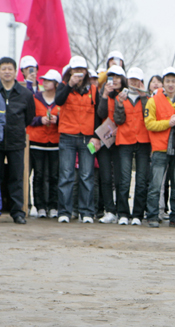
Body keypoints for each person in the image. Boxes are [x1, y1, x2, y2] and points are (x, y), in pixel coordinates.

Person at [144, 67, 175, 228]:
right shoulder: (153, 101)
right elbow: (149, 123)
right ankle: (152, 216)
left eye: (174, 81)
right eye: (168, 81)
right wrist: (168, 123)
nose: (171, 84)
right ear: (163, 83)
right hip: (160, 149)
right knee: (156, 185)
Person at [54, 56, 100, 224]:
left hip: (87, 138)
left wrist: (96, 136)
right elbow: (58, 101)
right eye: (76, 70)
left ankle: (86, 212)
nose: (79, 73)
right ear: (70, 71)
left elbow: (98, 114)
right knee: (66, 175)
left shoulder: (94, 90)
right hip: (67, 137)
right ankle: (64, 212)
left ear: (86, 72)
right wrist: (70, 84)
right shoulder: (63, 86)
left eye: (82, 70)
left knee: (87, 175)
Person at [111, 67, 151, 226]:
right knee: (124, 178)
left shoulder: (147, 98)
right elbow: (118, 120)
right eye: (131, 79)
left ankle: (137, 215)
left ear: (141, 81)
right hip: (125, 141)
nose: (134, 82)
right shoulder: (121, 97)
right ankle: (123, 213)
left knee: (141, 179)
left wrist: (144, 97)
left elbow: (149, 116)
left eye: (137, 80)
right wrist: (119, 104)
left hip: (143, 141)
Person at [0, 57, 35, 224]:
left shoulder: (25, 94)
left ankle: (17, 212)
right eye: (3, 68)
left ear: (16, 72)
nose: (7, 71)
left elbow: (29, 117)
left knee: (17, 177)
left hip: (16, 141)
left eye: (10, 69)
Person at [26, 69, 62, 219]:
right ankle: (40, 206)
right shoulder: (35, 98)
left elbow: (67, 119)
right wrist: (40, 120)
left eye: (48, 80)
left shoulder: (60, 100)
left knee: (54, 175)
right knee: (38, 175)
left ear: (56, 84)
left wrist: (58, 120)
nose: (45, 82)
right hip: (37, 141)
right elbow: (28, 117)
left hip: (55, 142)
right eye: (44, 80)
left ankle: (53, 206)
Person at [96, 65, 127, 224]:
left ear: (122, 80)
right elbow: (100, 114)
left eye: (117, 77)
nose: (114, 80)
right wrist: (104, 95)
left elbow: (123, 119)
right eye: (111, 77)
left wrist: (119, 130)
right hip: (104, 139)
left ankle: (122, 211)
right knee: (106, 176)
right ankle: (109, 210)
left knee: (121, 178)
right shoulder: (103, 93)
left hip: (121, 140)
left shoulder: (126, 96)